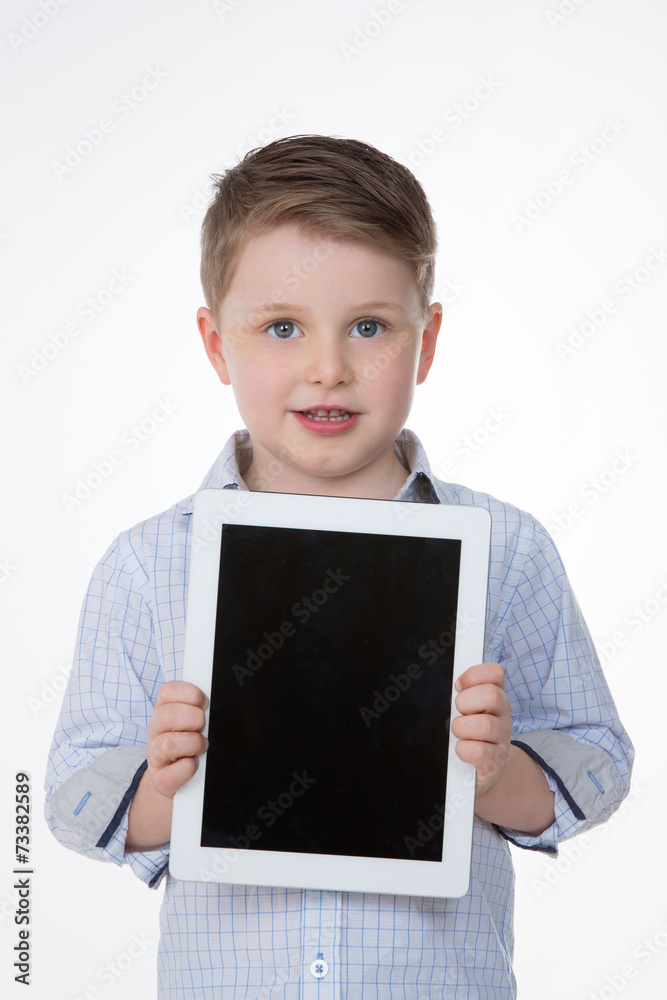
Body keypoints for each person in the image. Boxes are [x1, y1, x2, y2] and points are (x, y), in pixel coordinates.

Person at [45, 134, 633, 999]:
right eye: (282, 328)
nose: (328, 368)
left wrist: (497, 773)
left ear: (425, 342)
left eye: (369, 327)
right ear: (216, 344)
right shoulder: (148, 565)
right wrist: (167, 789)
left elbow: (595, 767)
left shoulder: (506, 551)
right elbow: (73, 798)